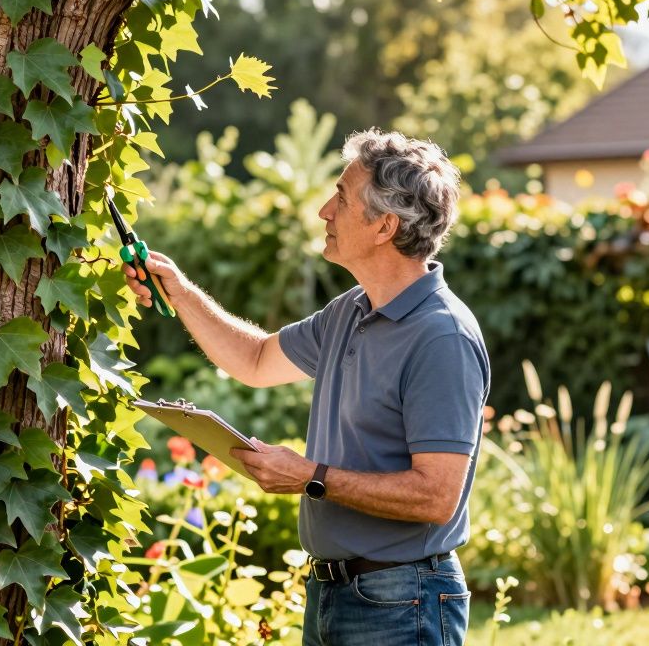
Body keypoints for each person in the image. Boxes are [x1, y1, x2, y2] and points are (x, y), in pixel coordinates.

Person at [123, 128, 490, 646]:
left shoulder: (441, 336)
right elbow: (255, 359)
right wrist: (180, 293)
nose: (324, 212)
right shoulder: (350, 311)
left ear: (384, 225)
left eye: (341, 197)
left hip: (402, 600)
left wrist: (311, 477)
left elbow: (436, 497)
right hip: (332, 592)